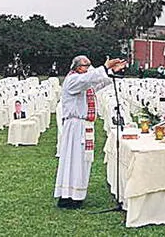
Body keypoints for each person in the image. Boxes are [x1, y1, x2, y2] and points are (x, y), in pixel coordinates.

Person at [54, 55, 126, 209]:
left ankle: (77, 195)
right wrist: (104, 67)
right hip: (75, 126)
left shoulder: (83, 82)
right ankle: (68, 196)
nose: (89, 69)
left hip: (83, 125)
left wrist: (111, 72)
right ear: (78, 67)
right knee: (73, 161)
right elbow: (88, 80)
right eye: (87, 66)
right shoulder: (72, 80)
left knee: (82, 161)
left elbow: (96, 84)